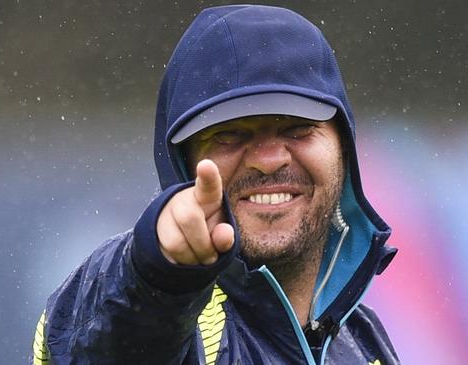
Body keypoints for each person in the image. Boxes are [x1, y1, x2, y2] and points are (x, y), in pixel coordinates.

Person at [32, 4, 399, 365]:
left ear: (343, 149)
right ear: (181, 164)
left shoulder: (364, 339)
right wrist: (157, 273)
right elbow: (107, 332)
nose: (268, 159)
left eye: (297, 128)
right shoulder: (168, 316)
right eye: (229, 135)